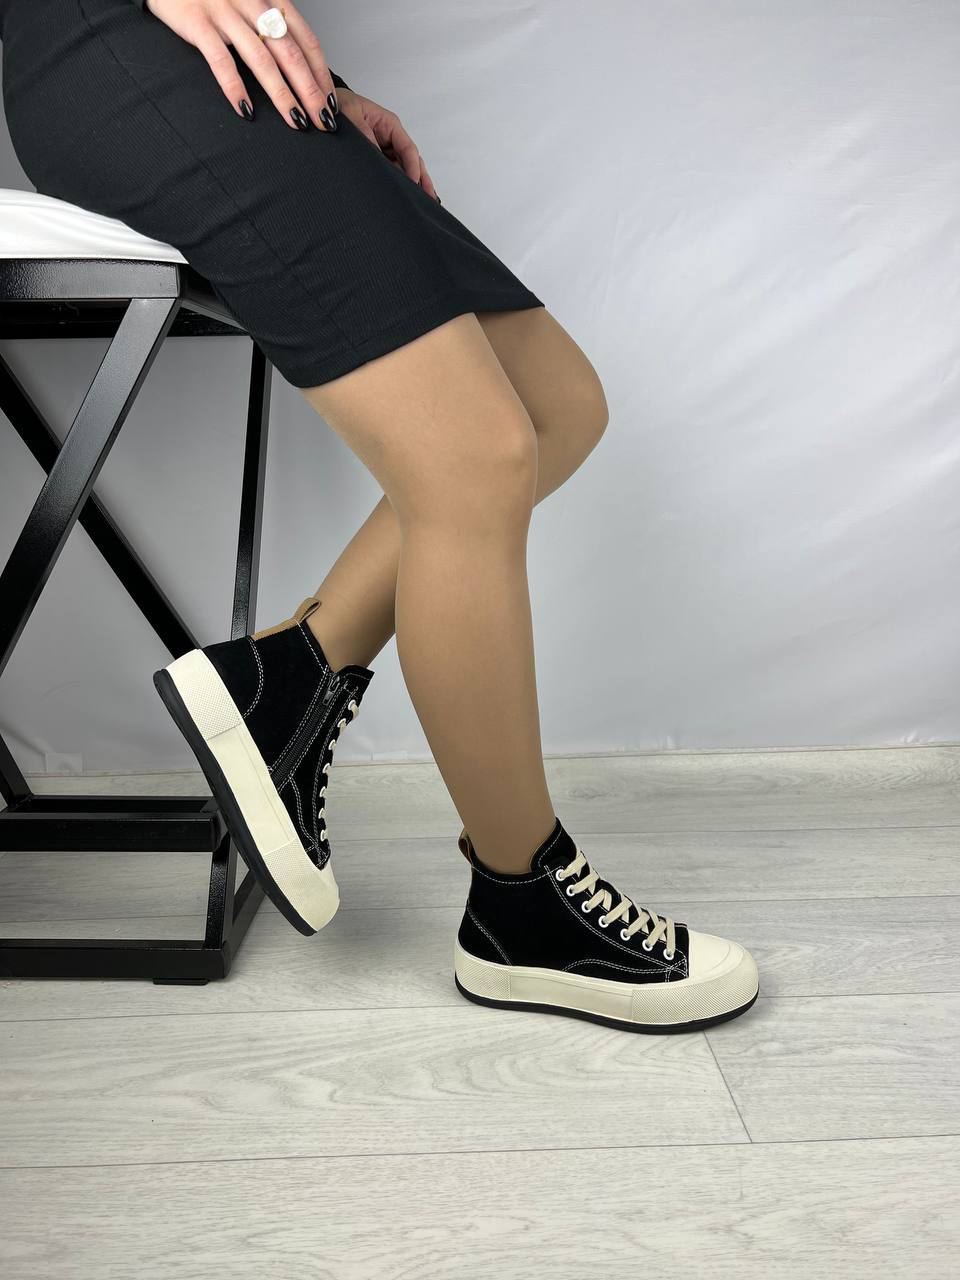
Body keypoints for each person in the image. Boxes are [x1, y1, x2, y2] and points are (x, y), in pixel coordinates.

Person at [1, 0, 759, 1031]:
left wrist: (325, 81)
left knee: (556, 405)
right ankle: (522, 900)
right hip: (122, 55)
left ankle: (289, 679)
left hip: (246, 70)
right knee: (475, 458)